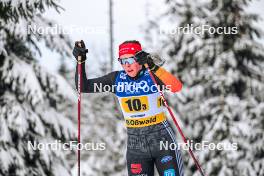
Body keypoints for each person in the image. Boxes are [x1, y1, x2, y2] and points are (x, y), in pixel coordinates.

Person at [73, 40, 184, 176]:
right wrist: (81, 62)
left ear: (139, 58)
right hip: (136, 145)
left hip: (162, 140)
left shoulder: (151, 74)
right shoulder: (116, 80)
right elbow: (83, 86)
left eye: (130, 59)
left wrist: (153, 67)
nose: (127, 65)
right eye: (122, 61)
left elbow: (176, 86)